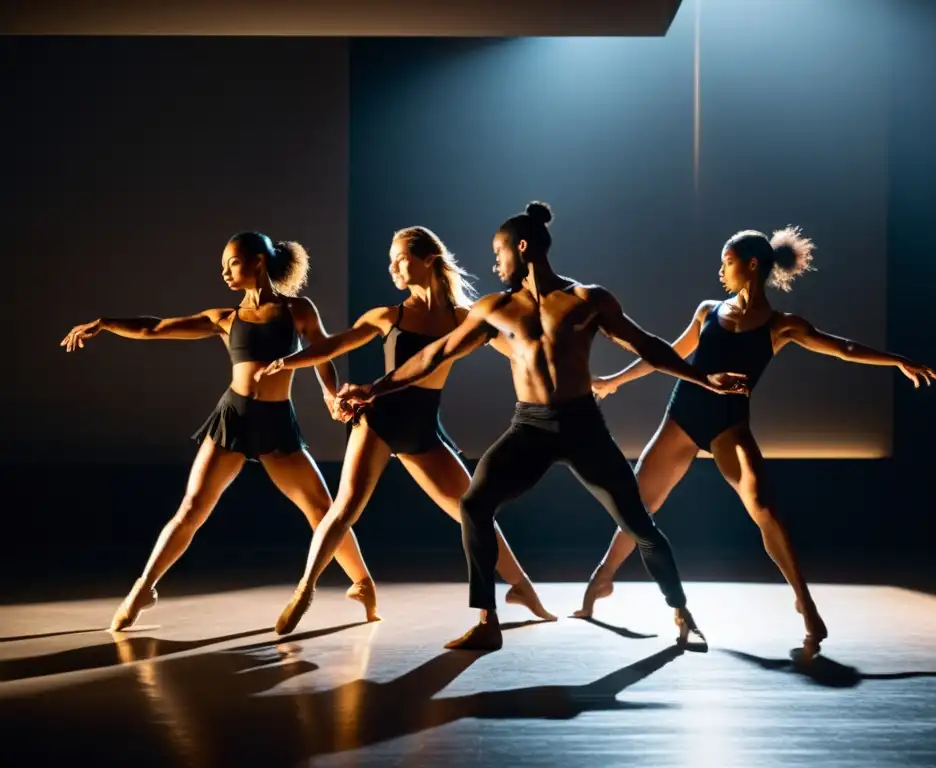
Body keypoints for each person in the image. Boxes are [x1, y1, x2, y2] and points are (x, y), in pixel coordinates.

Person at [328, 202, 749, 651]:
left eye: (498, 253)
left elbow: (648, 345)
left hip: (583, 425)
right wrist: (375, 388)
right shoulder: (496, 309)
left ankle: (682, 612)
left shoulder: (588, 300)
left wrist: (705, 377)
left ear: (522, 248)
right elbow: (434, 355)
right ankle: (487, 621)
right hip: (530, 427)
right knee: (473, 505)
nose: (494, 263)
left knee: (639, 524)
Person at [574, 226, 936, 656]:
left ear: (750, 265)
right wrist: (615, 381)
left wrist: (897, 360)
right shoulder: (708, 310)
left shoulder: (782, 326)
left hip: (729, 426)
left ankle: (804, 601)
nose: (720, 270)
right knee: (639, 503)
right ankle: (603, 577)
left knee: (763, 508)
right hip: (683, 417)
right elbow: (667, 355)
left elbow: (843, 348)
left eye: (726, 261)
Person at [60, 232, 378, 630]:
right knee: (193, 507)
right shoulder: (223, 319)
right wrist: (105, 323)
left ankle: (363, 583)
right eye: (224, 265)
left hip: (277, 421)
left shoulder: (297, 309)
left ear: (259, 262)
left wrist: (332, 396)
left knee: (321, 509)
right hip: (234, 416)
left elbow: (322, 353)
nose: (225, 271)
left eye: (232, 262)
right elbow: (155, 328)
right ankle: (144, 587)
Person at [257, 226, 555, 635]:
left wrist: (567, 376)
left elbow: (517, 350)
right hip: (379, 420)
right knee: (345, 508)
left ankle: (523, 590)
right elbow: (334, 345)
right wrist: (289, 362)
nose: (392, 267)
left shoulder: (463, 319)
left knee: (474, 513)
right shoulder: (389, 315)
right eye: (390, 261)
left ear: (428, 259)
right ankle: (305, 591)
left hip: (422, 427)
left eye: (400, 258)